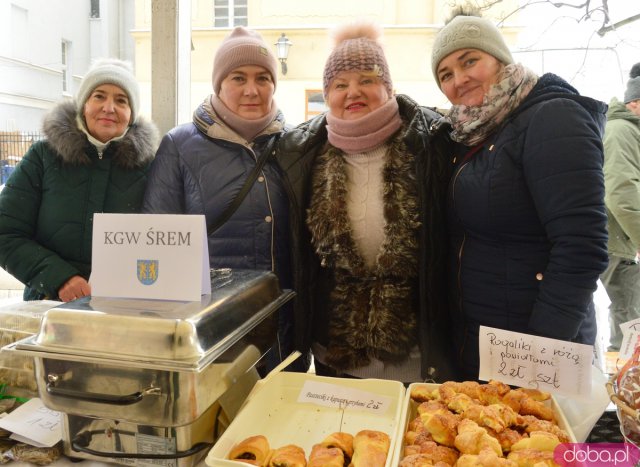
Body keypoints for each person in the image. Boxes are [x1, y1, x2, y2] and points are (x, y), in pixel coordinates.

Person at [431, 5, 609, 380]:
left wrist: (540, 355)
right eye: (445, 74)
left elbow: (582, 246)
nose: (459, 79)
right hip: (484, 343)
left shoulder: (553, 116)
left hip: (536, 349)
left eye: (469, 61)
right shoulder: (472, 133)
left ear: (499, 58)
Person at [277, 21, 455, 383]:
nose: (352, 92)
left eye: (367, 80)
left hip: (419, 359)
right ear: (327, 95)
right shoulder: (303, 154)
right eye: (340, 85)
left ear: (388, 88)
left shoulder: (431, 144)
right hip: (336, 359)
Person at [142, 27, 307, 372]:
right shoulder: (180, 146)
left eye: (263, 78)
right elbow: (157, 240)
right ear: (218, 84)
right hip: (213, 336)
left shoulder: (292, 144)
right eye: (238, 78)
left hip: (284, 332)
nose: (252, 90)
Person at [0, 58, 158, 302]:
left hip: (125, 308)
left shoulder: (150, 167)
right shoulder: (44, 157)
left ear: (131, 113)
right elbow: (6, 232)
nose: (109, 107)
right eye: (99, 96)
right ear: (84, 104)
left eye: (121, 100)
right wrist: (59, 278)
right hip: (50, 305)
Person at [600, 63, 640, 351]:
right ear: (636, 103)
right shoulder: (622, 131)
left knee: (630, 317)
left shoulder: (625, 130)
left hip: (622, 241)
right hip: (617, 242)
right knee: (631, 318)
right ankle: (627, 387)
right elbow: (621, 192)